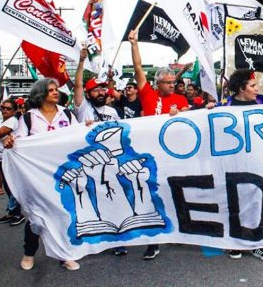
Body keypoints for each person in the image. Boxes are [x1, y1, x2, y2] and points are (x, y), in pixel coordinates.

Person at [5, 78, 80, 271]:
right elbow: (19, 143)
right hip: (37, 176)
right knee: (36, 216)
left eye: (56, 90)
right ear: (41, 94)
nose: (56, 93)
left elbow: (78, 138)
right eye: (51, 90)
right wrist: (11, 142)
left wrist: (87, 126)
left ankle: (64, 255)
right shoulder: (29, 118)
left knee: (63, 214)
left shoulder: (68, 114)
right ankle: (29, 254)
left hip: (63, 173)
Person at [129, 29, 188, 259]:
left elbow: (186, 119)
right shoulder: (147, 94)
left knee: (173, 191)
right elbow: (138, 68)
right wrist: (134, 44)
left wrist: (180, 114)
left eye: (174, 82)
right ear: (158, 83)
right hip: (149, 154)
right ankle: (153, 241)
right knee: (150, 196)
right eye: (169, 82)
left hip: (173, 155)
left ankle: (180, 231)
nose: (173, 85)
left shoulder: (181, 99)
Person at [207, 69, 263, 261]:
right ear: (240, 88)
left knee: (257, 201)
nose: (257, 89)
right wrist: (210, 111)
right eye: (252, 86)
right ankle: (234, 242)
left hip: (258, 162)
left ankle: (257, 243)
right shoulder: (224, 105)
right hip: (233, 163)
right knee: (234, 200)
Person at [0, 99, 24, 226]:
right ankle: (12, 212)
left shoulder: (13, 121)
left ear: (15, 110)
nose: (4, 110)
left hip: (9, 159)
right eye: (3, 108)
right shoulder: (1, 121)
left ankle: (18, 214)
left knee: (12, 186)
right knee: (7, 186)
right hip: (0, 157)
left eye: (8, 108)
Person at [74, 48, 120, 123]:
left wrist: (110, 79)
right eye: (96, 90)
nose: (100, 93)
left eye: (102, 89)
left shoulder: (112, 111)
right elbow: (78, 85)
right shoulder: (83, 107)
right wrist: (81, 61)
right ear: (88, 95)